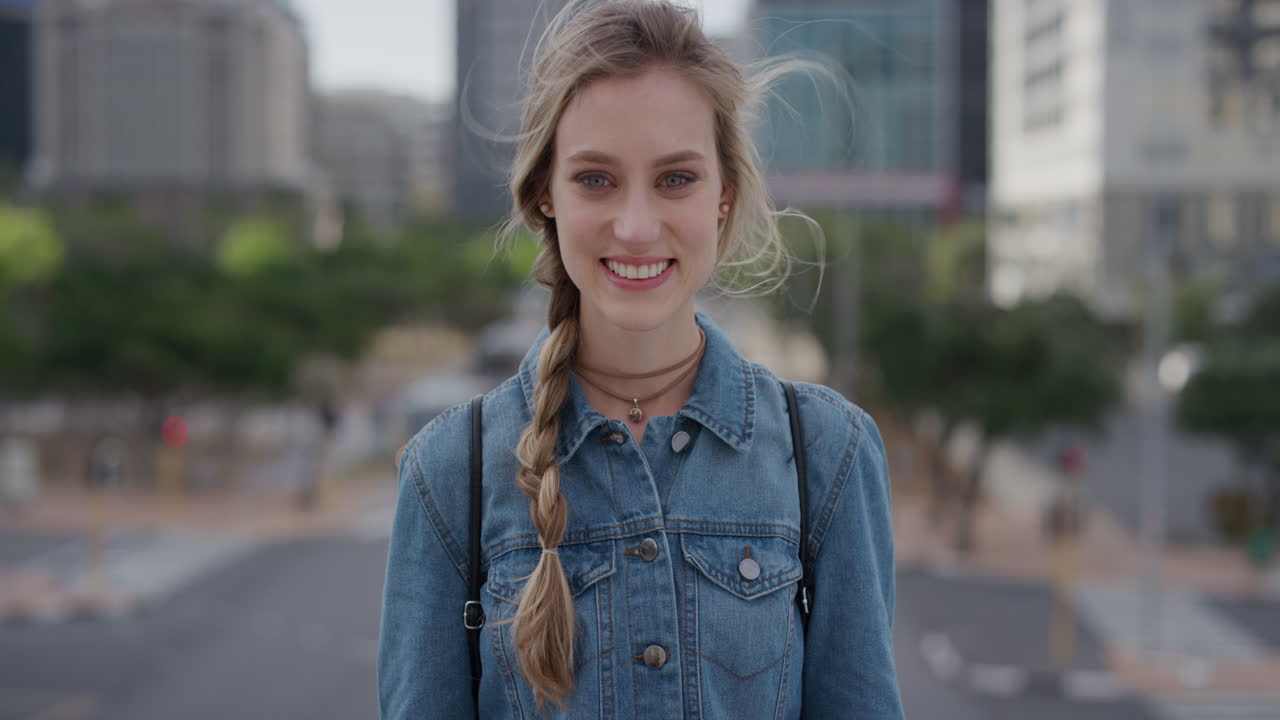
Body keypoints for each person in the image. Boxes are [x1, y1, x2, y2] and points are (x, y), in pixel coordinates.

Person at [378, 2, 902, 718]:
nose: (635, 226)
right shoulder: (448, 474)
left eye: (676, 179)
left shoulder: (830, 455)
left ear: (726, 195)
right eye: (595, 178)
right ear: (544, 195)